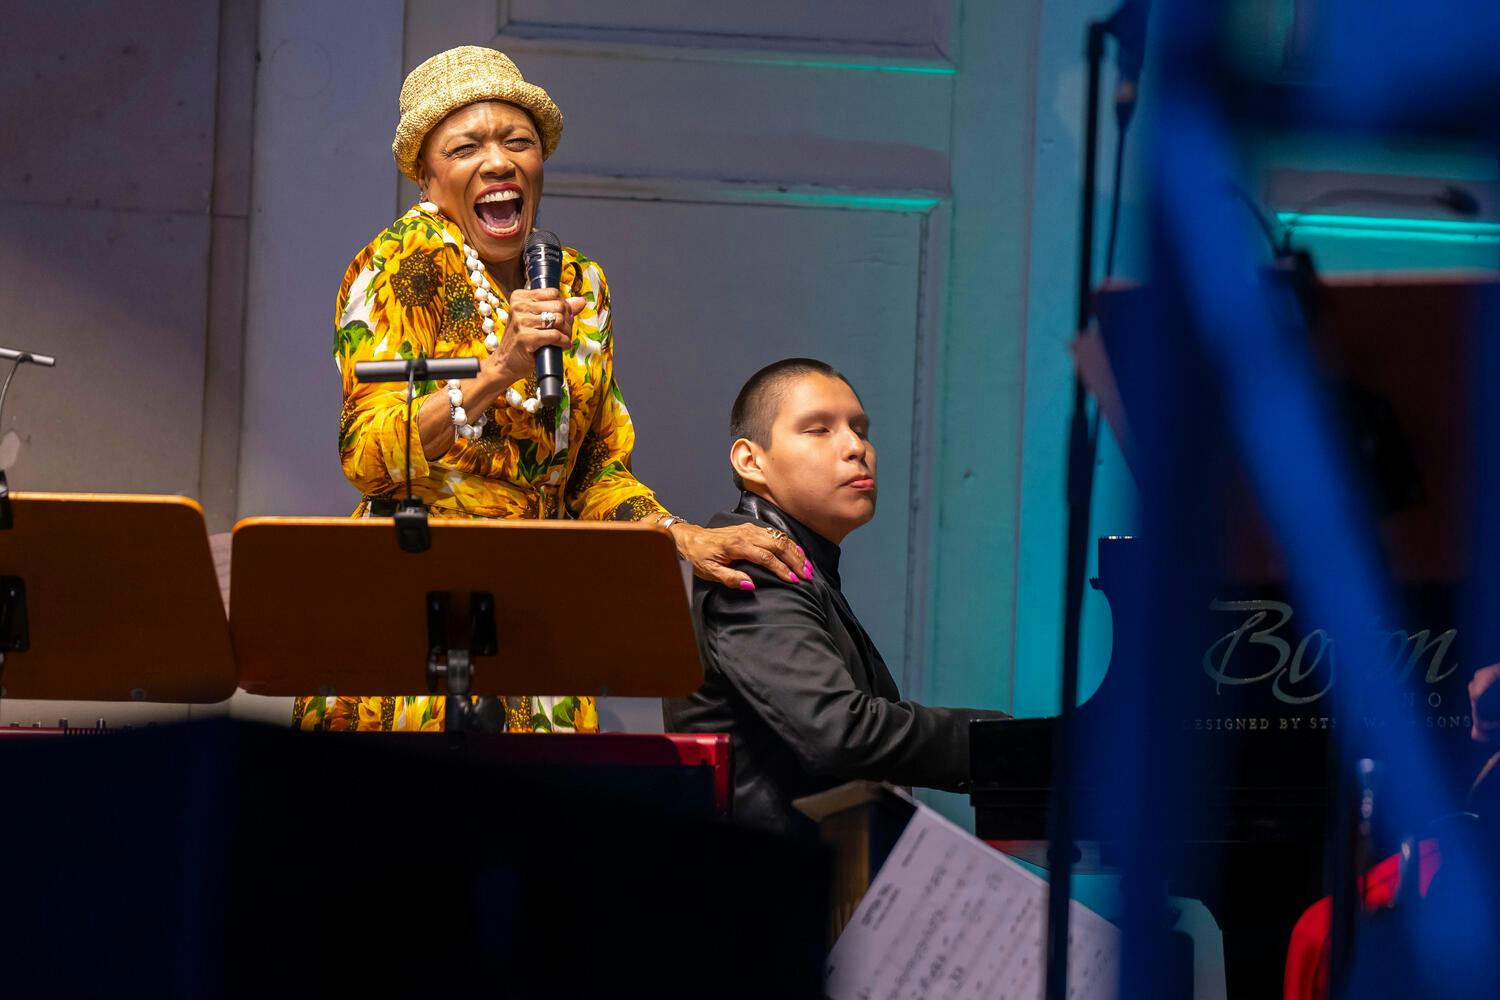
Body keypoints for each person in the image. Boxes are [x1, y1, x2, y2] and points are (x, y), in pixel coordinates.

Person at [295, 46, 808, 733]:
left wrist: (677, 536)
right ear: (427, 178)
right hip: (415, 617)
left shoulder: (578, 287)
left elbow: (593, 470)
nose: (499, 161)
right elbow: (369, 457)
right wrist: (495, 372)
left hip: (535, 609)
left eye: (519, 142)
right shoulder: (397, 265)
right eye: (466, 146)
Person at [663, 358, 1007, 836]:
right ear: (750, 461)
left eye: (860, 429)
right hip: (765, 895)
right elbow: (839, 732)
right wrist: (1009, 743)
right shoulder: (754, 563)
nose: (856, 447)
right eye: (819, 430)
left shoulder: (798, 560)